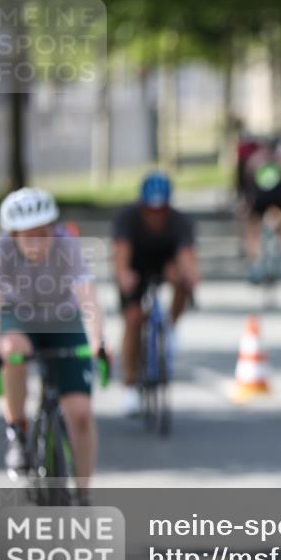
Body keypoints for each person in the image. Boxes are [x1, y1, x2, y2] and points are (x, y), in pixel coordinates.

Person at [0, 187, 107, 499]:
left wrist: (97, 340)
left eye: (43, 233)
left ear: (54, 229)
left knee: (80, 413)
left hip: (64, 320)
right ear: (13, 234)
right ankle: (17, 431)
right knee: (12, 352)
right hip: (19, 320)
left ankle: (82, 493)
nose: (36, 242)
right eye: (27, 235)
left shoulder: (68, 245)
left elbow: (87, 296)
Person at [113, 172, 198, 415]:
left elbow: (186, 256)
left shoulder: (180, 221)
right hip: (135, 267)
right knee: (133, 319)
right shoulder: (127, 218)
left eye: (161, 210)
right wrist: (124, 275)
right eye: (151, 210)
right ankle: (129, 386)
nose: (156, 215)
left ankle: (169, 327)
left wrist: (190, 276)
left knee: (183, 281)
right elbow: (121, 255)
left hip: (164, 264)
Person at [242, 135, 281, 274]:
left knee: (252, 225)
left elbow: (247, 183)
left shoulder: (254, 160)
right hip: (279, 198)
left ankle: (252, 259)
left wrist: (248, 201)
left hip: (260, 198)